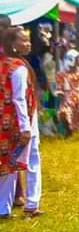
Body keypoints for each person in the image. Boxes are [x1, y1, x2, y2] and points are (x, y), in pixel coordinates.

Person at [1, 27, 42, 219]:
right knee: (31, 159)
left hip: (7, 122)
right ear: (12, 44)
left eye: (28, 40)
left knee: (9, 164)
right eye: (24, 40)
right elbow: (19, 98)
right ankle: (32, 204)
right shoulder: (18, 67)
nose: (28, 44)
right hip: (23, 121)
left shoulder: (5, 64)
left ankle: (3, 208)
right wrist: (26, 128)